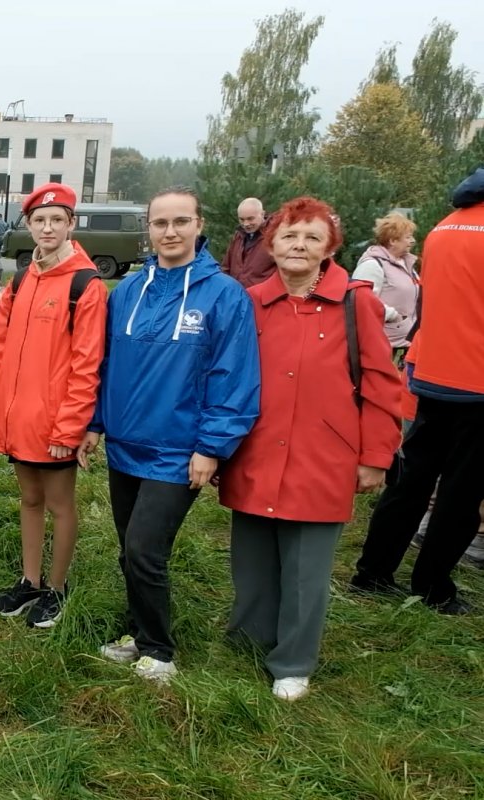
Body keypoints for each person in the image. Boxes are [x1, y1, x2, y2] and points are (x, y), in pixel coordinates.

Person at [218, 196, 400, 702]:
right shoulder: (250, 302)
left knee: (306, 569)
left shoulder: (356, 303)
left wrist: (375, 455)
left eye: (312, 237)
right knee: (251, 556)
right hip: (256, 451)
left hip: (324, 455)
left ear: (329, 249)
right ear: (271, 244)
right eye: (289, 236)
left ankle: (293, 661)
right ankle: (249, 640)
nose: (299, 245)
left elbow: (383, 385)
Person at [81, 186, 260, 682]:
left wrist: (211, 446)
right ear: (150, 229)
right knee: (128, 548)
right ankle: (138, 633)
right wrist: (96, 422)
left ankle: (159, 651)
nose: (170, 232)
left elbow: (234, 375)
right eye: (160, 223)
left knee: (144, 549)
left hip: (179, 452)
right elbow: (107, 364)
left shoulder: (224, 295)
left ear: (199, 225)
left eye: (181, 221)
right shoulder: (131, 292)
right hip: (126, 445)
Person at [351, 167, 484, 614]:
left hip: (431, 374)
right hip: (478, 383)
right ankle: (432, 586)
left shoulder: (447, 227)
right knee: (461, 496)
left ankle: (372, 571)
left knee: (410, 480)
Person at [0, 184, 107, 629]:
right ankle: (30, 580)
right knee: (28, 499)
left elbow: (87, 363)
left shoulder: (84, 284)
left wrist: (69, 428)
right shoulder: (21, 278)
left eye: (57, 220)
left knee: (59, 503)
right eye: (40, 220)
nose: (48, 228)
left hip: (54, 422)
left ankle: (57, 586)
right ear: (29, 225)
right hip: (18, 419)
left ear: (71, 224)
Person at [352, 212, 420, 355]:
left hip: (407, 343)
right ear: (392, 240)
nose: (412, 241)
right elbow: (361, 301)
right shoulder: (372, 264)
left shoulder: (408, 264)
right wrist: (393, 315)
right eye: (407, 237)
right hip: (382, 344)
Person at [222, 197, 275, 288]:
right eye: (241, 219)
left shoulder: (274, 236)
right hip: (237, 296)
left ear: (262, 214)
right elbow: (226, 268)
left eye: (250, 219)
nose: (246, 224)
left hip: (263, 298)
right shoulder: (238, 237)